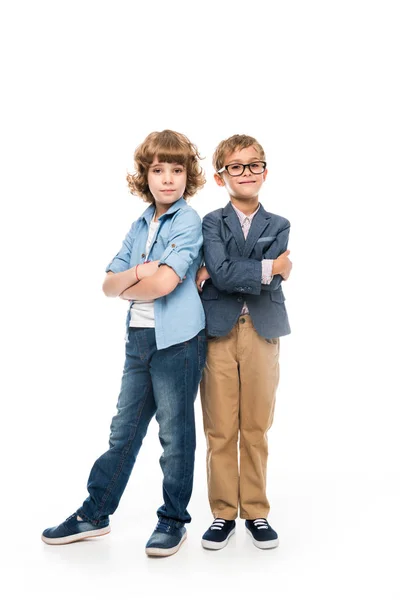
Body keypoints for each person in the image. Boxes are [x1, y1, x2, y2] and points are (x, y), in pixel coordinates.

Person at [42, 130, 207, 557]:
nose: (168, 179)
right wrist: (139, 274)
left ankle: (173, 521)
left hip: (178, 342)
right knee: (123, 431)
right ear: (145, 175)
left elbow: (165, 283)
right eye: (158, 170)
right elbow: (107, 286)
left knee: (175, 435)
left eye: (176, 169)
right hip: (139, 338)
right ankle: (94, 514)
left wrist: (135, 278)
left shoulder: (187, 220)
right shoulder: (140, 224)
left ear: (187, 175)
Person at [196, 134, 292, 551]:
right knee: (220, 428)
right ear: (221, 177)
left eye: (253, 165)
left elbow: (224, 272)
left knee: (255, 426)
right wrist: (270, 267)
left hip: (263, 330)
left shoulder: (280, 224)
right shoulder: (210, 223)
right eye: (236, 166)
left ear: (265, 172)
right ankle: (222, 513)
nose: (246, 172)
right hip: (218, 331)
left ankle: (256, 511)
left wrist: (231, 271)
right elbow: (220, 271)